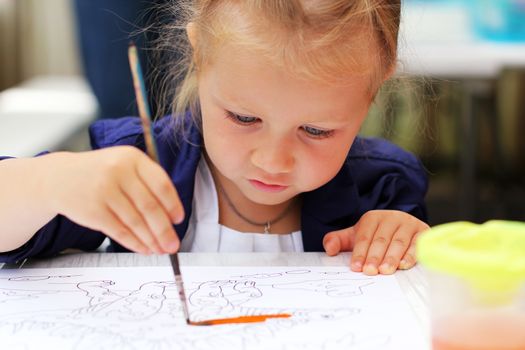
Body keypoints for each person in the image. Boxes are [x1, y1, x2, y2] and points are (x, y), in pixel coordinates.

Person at [0, 0, 429, 276]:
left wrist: (406, 241)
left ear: (375, 86)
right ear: (199, 55)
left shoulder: (384, 188)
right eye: (244, 118)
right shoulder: (147, 163)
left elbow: (420, 291)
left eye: (316, 130)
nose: (273, 160)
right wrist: (47, 183)